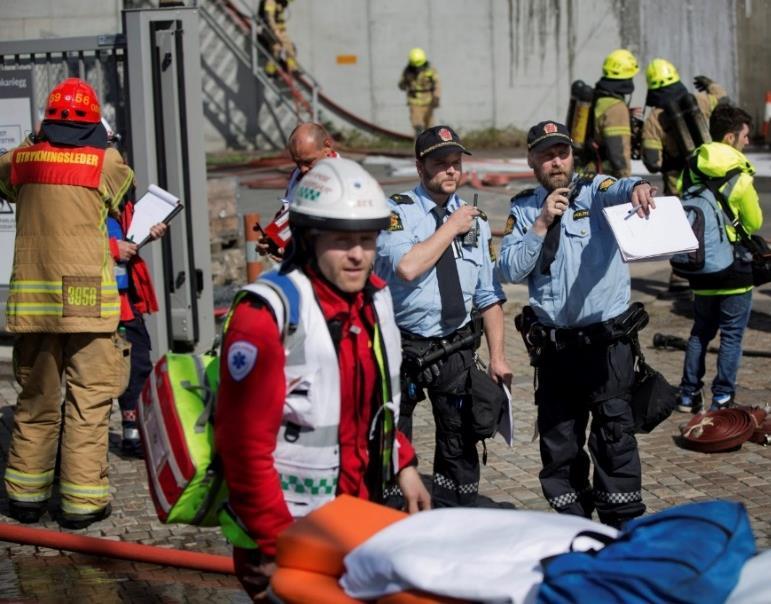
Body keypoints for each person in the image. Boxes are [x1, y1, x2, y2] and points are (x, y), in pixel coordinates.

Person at [216, 158, 431, 600]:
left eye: (367, 240)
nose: (358, 254)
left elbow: (377, 401)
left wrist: (404, 465)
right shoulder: (266, 316)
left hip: (353, 517)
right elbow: (243, 448)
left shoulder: (374, 299)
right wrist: (278, 545)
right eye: (342, 241)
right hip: (286, 530)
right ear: (310, 240)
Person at [496, 120, 655, 528]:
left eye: (562, 153)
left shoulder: (595, 191)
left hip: (606, 346)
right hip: (556, 352)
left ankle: (621, 527)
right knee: (559, 442)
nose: (556, 162)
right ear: (532, 160)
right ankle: (573, 525)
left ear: (573, 155)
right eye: (546, 155)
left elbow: (619, 187)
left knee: (614, 439)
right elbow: (510, 270)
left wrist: (637, 186)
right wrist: (541, 225)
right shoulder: (524, 207)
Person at [0, 78, 134, 529]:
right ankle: (81, 503)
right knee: (89, 401)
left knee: (36, 400)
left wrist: (34, 139)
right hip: (85, 297)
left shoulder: (21, 160)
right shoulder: (107, 161)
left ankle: (25, 498)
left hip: (33, 301)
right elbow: (122, 197)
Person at [375, 125, 511, 509]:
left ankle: (455, 515)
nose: (451, 171)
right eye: (441, 163)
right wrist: (451, 226)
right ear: (420, 167)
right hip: (402, 344)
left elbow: (489, 295)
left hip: (454, 344)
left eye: (456, 163)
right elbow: (407, 266)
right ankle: (391, 517)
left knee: (459, 440)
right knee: (391, 436)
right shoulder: (396, 211)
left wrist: (498, 356)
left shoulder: (476, 221)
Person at [675, 104, 763, 414]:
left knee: (701, 330)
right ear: (729, 137)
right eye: (744, 136)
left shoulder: (691, 168)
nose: (747, 142)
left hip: (700, 266)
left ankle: (688, 395)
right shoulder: (740, 175)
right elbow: (753, 222)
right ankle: (723, 396)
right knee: (732, 334)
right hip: (734, 266)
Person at [642, 58, 728, 195]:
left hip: (678, 187)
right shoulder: (699, 100)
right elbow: (724, 100)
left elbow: (653, 163)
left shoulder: (653, 119)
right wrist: (711, 85)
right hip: (709, 176)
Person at [256, 122, 340, 259]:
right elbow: (286, 213)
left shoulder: (345, 182)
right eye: (297, 162)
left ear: (328, 147)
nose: (302, 169)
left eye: (308, 162)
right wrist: (271, 242)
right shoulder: (298, 174)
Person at [589, 49, 639, 177]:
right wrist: (626, 183)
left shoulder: (601, 98)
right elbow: (618, 154)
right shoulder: (616, 108)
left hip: (593, 171)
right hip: (609, 177)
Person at [398, 48, 441, 135]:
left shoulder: (430, 71)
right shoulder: (407, 71)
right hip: (414, 103)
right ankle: (419, 147)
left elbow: (437, 85)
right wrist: (405, 81)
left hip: (428, 103)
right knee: (418, 128)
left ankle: (431, 147)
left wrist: (436, 97)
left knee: (431, 129)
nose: (418, 68)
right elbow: (401, 86)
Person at [258, 0, 297, 76]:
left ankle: (270, 70)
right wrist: (275, 30)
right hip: (269, 29)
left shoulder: (279, 4)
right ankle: (292, 67)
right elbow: (269, 17)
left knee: (277, 48)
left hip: (276, 30)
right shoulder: (270, 2)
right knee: (288, 44)